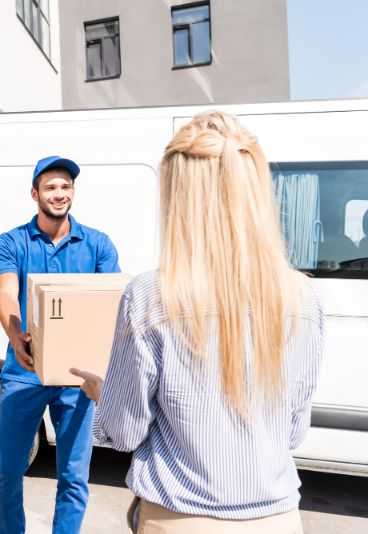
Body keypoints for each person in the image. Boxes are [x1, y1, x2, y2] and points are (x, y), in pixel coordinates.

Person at [71, 111, 324, 534]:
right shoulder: (302, 296)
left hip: (182, 520)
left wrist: (102, 393)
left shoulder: (152, 295)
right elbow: (293, 432)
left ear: (178, 197)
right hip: (279, 520)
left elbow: (124, 432)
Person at [0, 155, 120, 534]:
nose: (59, 193)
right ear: (35, 193)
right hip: (25, 371)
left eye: (65, 186)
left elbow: (108, 303)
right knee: (8, 472)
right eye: (50, 187)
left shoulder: (98, 245)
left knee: (74, 479)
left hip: (77, 379)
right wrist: (16, 336)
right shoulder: (11, 242)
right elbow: (7, 294)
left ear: (74, 192)